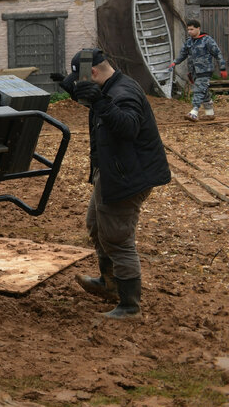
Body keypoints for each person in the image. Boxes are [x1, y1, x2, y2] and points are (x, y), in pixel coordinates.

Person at [63, 49, 171, 321]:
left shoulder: (123, 93)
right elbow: (98, 104)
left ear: (94, 73)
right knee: (96, 225)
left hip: (129, 177)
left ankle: (129, 305)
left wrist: (99, 101)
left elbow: (127, 126)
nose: (81, 84)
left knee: (118, 238)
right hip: (114, 172)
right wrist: (71, 91)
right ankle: (109, 284)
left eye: (82, 79)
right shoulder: (109, 86)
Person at [171, 19, 227, 121]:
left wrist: (222, 68)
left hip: (205, 70)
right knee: (203, 90)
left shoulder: (207, 40)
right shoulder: (189, 42)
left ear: (198, 28)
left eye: (192, 29)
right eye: (188, 30)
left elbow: (217, 54)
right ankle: (210, 113)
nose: (189, 32)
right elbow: (183, 54)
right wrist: (174, 62)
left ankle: (194, 112)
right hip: (193, 71)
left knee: (198, 90)